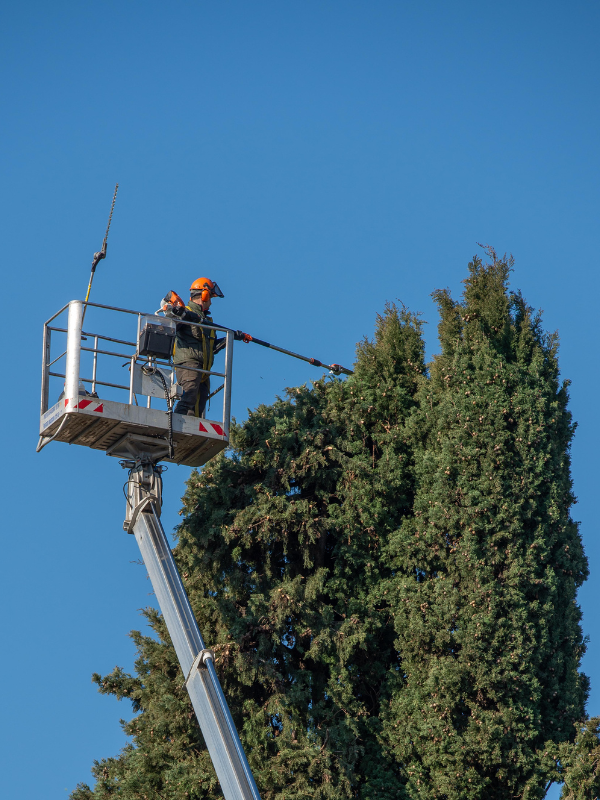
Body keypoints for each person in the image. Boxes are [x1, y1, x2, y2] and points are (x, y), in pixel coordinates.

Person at [163, 277, 226, 418]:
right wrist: (179, 313)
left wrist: (229, 339)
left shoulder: (205, 320)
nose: (210, 302)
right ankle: (175, 425)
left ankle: (186, 432)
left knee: (199, 406)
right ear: (204, 295)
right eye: (210, 297)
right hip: (189, 364)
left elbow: (211, 346)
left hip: (203, 369)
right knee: (189, 396)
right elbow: (173, 325)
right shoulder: (186, 311)